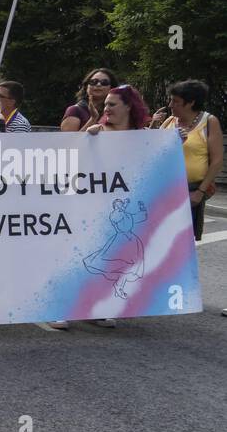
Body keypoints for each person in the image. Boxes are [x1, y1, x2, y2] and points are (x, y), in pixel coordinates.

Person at [46, 85, 151, 331]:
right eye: (106, 105)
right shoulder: (97, 132)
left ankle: (95, 308)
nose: (107, 109)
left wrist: (174, 142)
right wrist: (87, 138)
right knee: (74, 257)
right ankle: (59, 308)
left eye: (112, 104)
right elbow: (70, 159)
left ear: (128, 106)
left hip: (117, 211)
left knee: (107, 265)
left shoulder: (144, 136)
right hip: (88, 207)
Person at [157, 79, 222, 242]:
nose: (170, 105)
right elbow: (154, 151)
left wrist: (200, 191)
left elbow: (217, 160)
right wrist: (153, 124)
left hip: (192, 191)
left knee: (184, 243)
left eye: (176, 101)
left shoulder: (209, 122)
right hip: (165, 191)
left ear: (191, 102)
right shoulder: (170, 121)